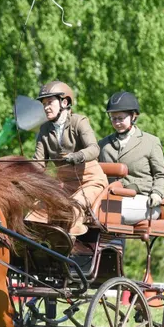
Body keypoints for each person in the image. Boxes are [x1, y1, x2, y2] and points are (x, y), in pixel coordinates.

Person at [27, 80, 108, 236]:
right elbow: (38, 163)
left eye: (50, 102)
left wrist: (77, 156)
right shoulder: (45, 129)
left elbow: (94, 149)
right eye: (44, 104)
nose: (46, 107)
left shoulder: (79, 121)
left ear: (64, 102)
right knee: (36, 212)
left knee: (72, 208)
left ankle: (69, 249)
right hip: (64, 184)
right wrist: (23, 172)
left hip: (90, 181)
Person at [98, 91, 164, 225]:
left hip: (142, 200)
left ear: (133, 116)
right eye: (113, 118)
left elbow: (161, 175)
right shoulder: (103, 145)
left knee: (112, 212)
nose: (117, 122)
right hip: (110, 198)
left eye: (121, 118)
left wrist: (157, 193)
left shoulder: (151, 142)